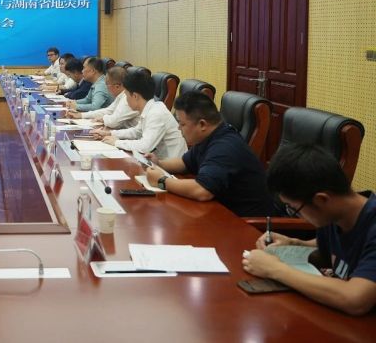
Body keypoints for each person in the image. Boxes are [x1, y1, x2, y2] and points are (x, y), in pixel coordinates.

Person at [242, 143, 376, 316]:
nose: (296, 215)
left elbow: (355, 300)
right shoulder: (336, 215)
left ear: (321, 199)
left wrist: (274, 269)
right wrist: (294, 243)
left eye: (293, 209)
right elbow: (338, 248)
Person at [141, 91, 274, 217]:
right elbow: (184, 163)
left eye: (182, 124)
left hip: (248, 224)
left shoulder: (224, 147)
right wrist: (158, 163)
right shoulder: (210, 136)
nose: (178, 128)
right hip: (221, 213)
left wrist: (162, 181)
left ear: (202, 124)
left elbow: (202, 191)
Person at [101, 70, 187, 159]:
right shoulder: (150, 108)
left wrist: (116, 142)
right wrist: (110, 133)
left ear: (135, 96)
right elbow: (136, 132)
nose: (126, 100)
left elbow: (145, 146)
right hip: (158, 159)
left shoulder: (156, 113)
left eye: (126, 96)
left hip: (171, 164)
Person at [75, 66, 139, 130]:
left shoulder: (129, 98)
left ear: (117, 86)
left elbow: (114, 122)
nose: (106, 88)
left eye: (107, 85)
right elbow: (109, 111)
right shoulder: (121, 95)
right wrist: (82, 115)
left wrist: (103, 118)